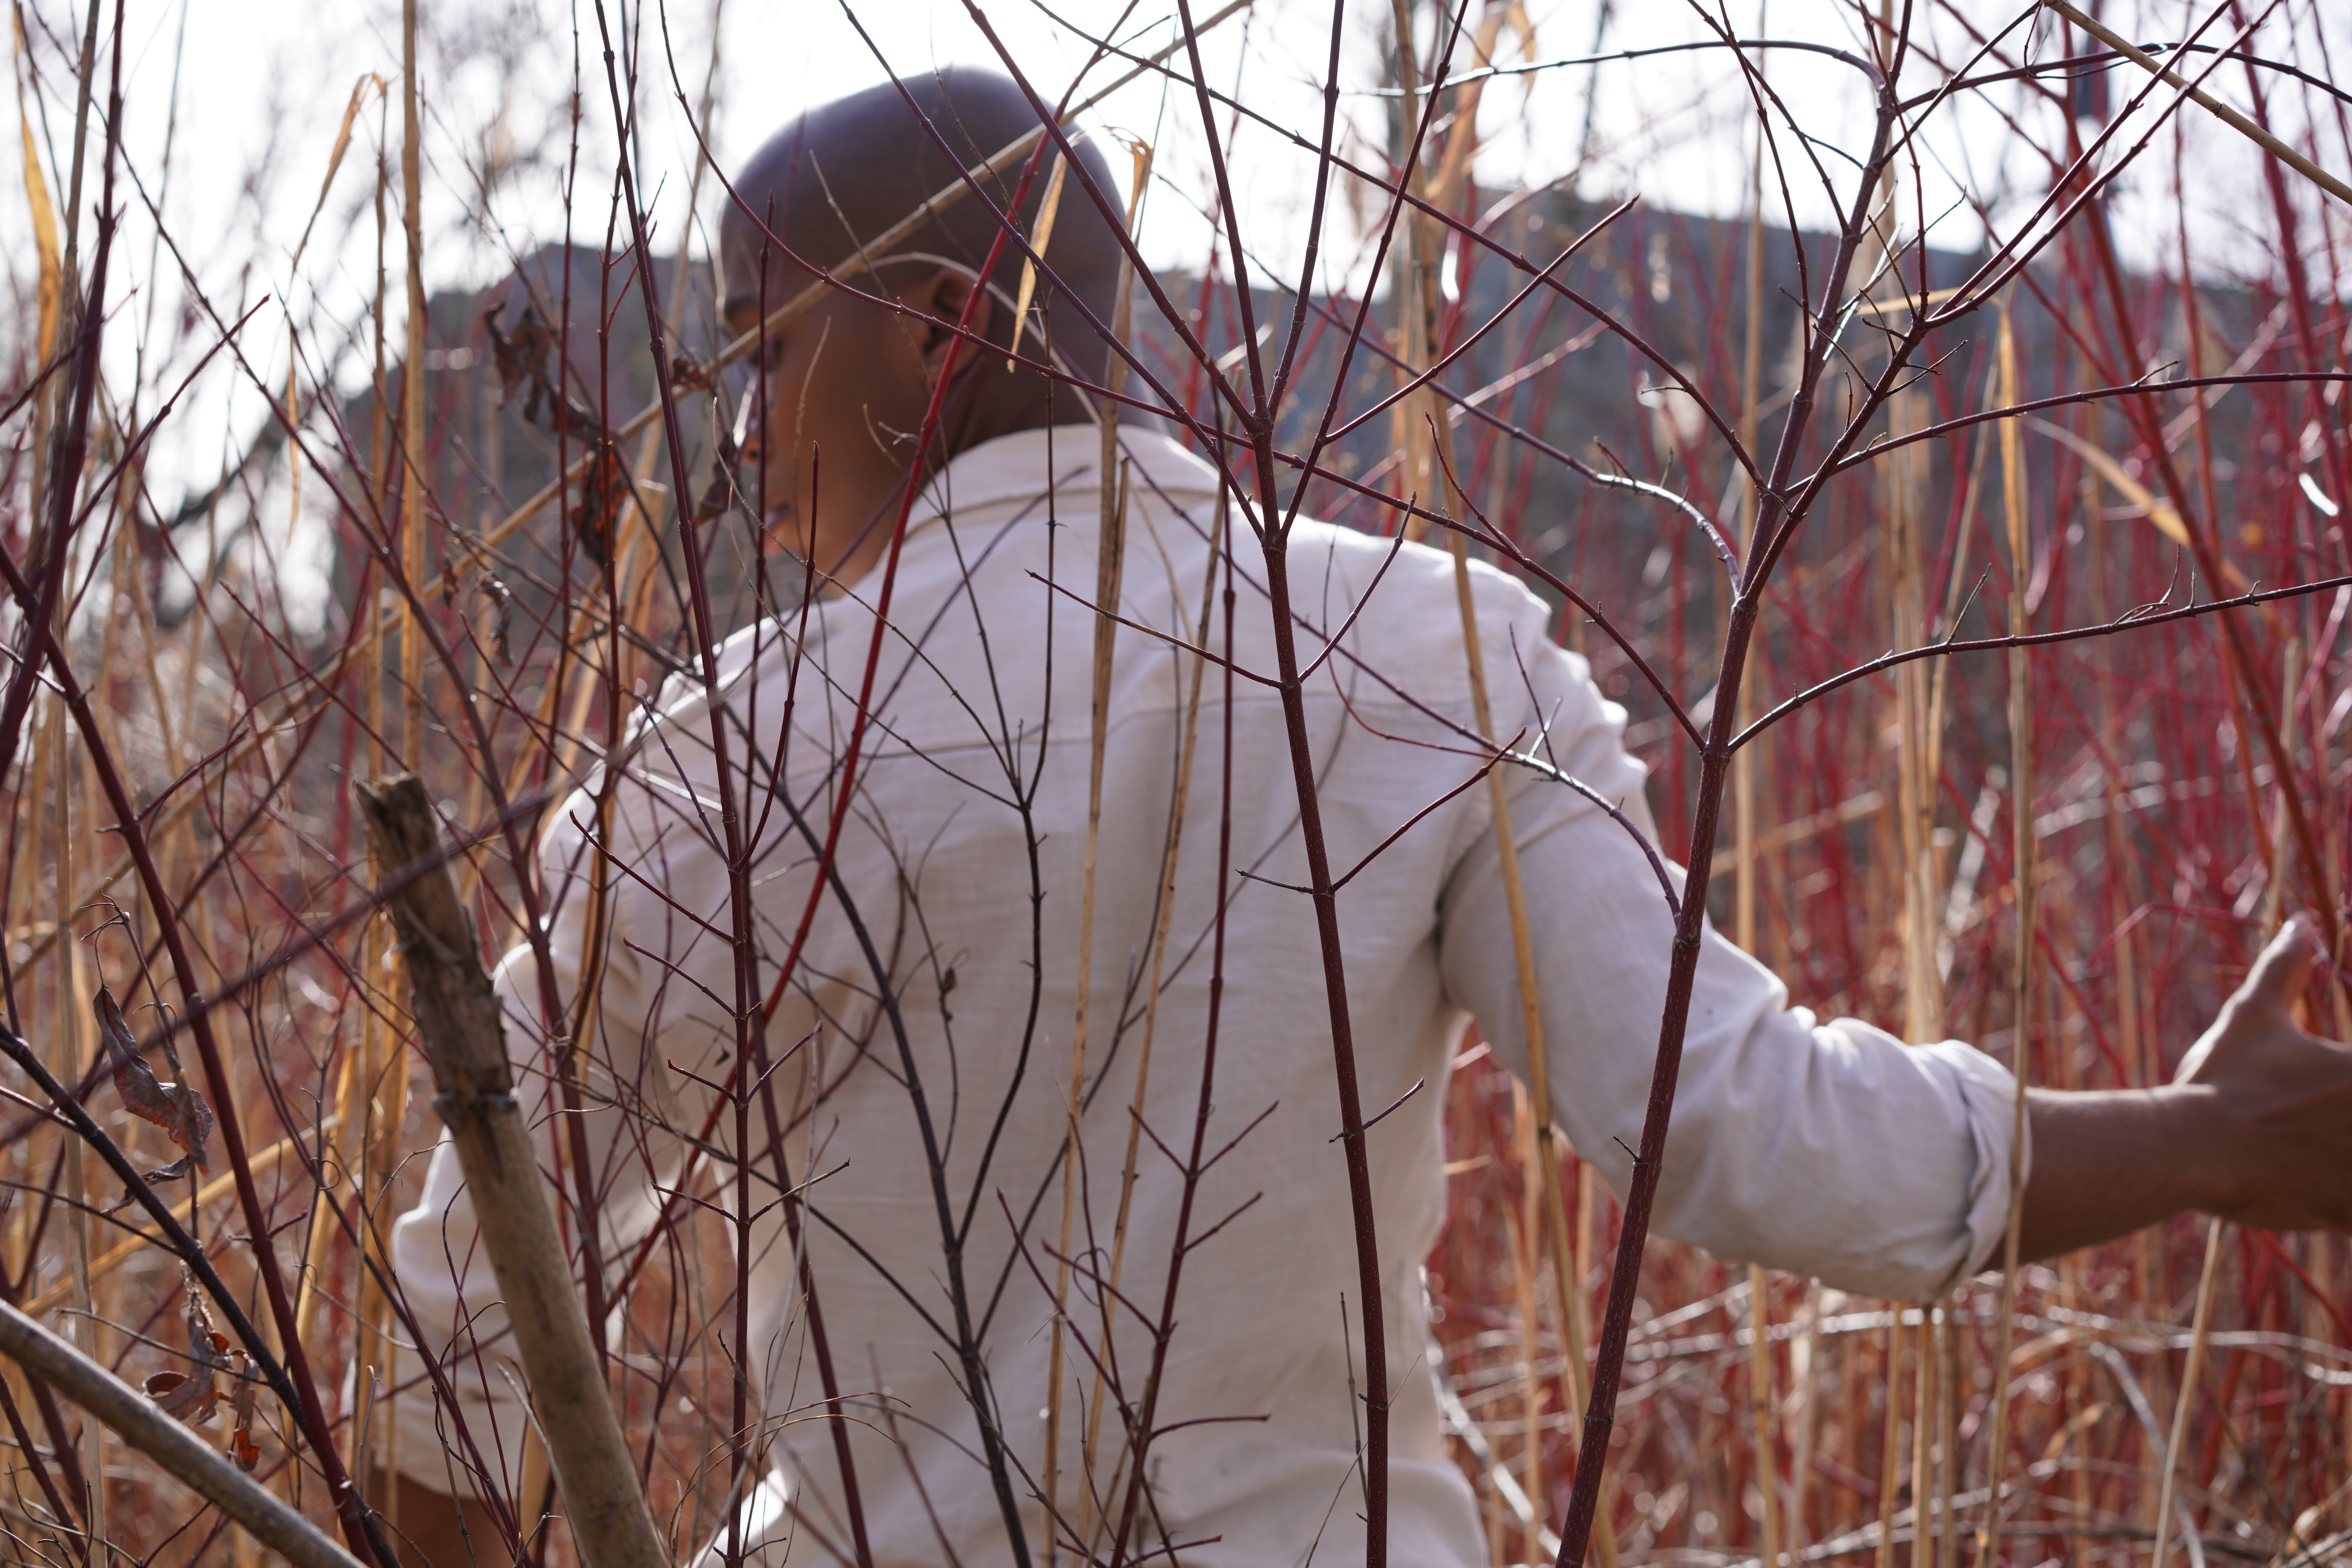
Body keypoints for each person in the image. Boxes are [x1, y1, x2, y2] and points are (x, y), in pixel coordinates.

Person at [376, 68, 2352, 1568]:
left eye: (760, 338)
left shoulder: (727, 758)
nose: (731, 432)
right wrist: (2216, 1142)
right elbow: (1749, 1137)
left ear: (931, 329)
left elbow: (462, 1331)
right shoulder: (1422, 652)